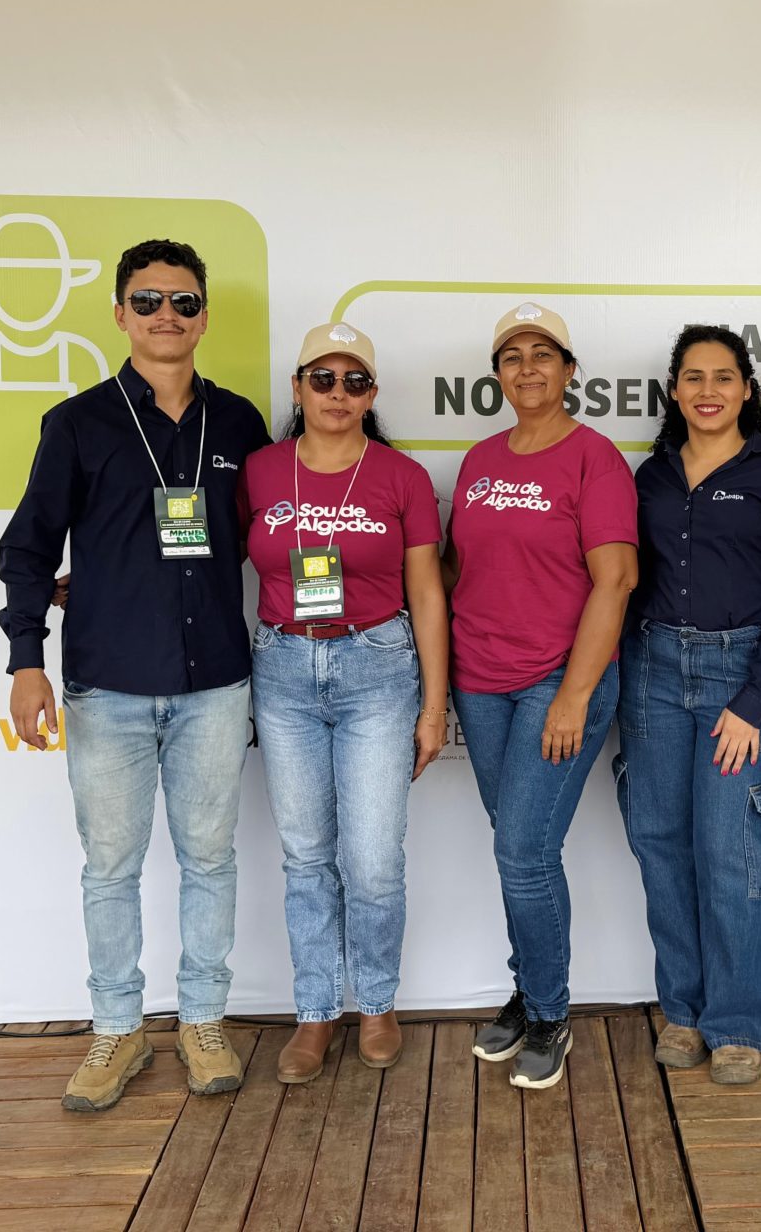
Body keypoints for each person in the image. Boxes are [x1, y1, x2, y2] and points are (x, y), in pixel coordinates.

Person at [0, 239, 270, 1111]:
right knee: (110, 869)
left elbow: (269, 536)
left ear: (203, 317)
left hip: (215, 685)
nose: (166, 316)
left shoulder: (239, 424)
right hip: (107, 686)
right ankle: (117, 1032)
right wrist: (25, 659)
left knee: (210, 861)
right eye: (147, 301)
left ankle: (203, 1022)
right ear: (120, 313)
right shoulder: (78, 423)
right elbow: (28, 549)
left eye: (183, 302)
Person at [242, 322, 449, 1083]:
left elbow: (428, 593)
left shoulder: (401, 476)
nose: (338, 393)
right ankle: (316, 1010)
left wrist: (434, 706)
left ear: (372, 394)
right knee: (306, 856)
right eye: (322, 379)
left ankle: (378, 1003)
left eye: (354, 381)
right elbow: (201, 558)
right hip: (284, 668)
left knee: (372, 860)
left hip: (377, 668)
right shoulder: (260, 471)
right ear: (298, 388)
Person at [614, 325, 761, 1085]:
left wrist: (755, 700)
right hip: (654, 671)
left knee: (733, 853)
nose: (708, 391)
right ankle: (685, 1010)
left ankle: (738, 1022)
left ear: (746, 390)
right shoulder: (651, 478)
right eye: (693, 377)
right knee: (660, 843)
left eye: (723, 377)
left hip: (739, 674)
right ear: (674, 391)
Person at [444, 302, 637, 1090]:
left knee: (523, 852)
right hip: (479, 679)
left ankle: (551, 1012)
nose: (527, 369)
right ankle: (529, 993)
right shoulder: (480, 460)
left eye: (543, 355)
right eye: (512, 357)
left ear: (568, 370)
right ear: (497, 375)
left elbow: (615, 580)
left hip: (558, 679)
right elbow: (460, 568)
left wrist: (575, 695)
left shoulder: (595, 459)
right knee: (515, 846)